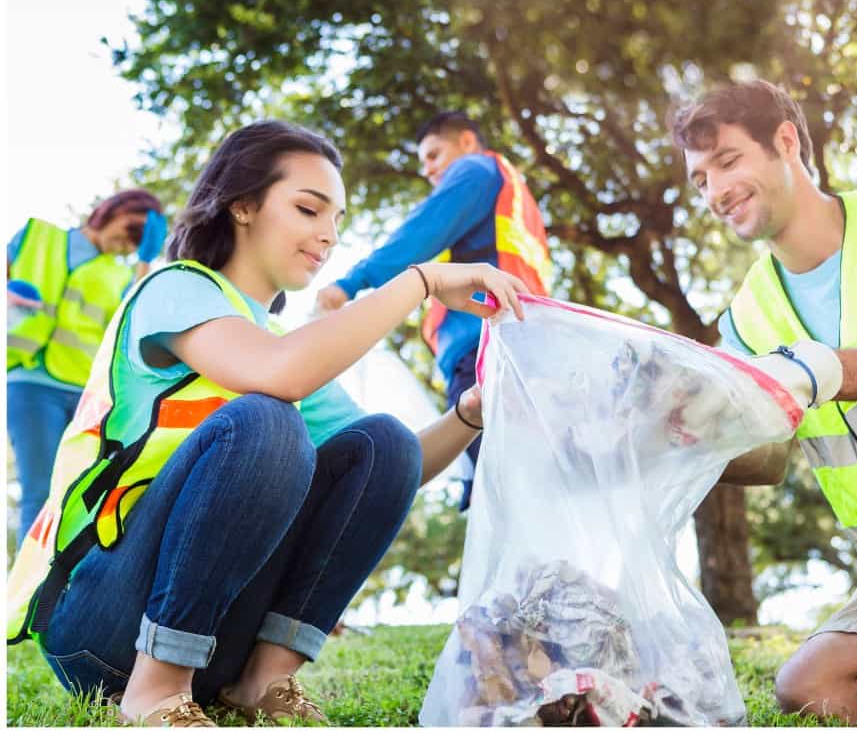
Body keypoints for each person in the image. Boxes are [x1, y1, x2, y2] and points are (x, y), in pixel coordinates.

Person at [6, 120, 528, 727]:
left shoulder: (281, 343)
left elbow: (395, 469)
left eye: (337, 220)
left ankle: (263, 680)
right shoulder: (176, 289)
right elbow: (280, 378)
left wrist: (472, 412)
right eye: (309, 209)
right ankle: (154, 689)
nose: (328, 236)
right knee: (268, 419)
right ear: (243, 205)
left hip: (214, 644)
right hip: (102, 627)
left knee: (382, 441)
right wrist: (420, 281)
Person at [669, 79, 857, 723]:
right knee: (808, 689)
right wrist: (678, 436)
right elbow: (767, 459)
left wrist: (820, 369)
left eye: (728, 161)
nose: (716, 191)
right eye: (700, 180)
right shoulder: (747, 321)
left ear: (786, 140)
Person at [316, 111, 553, 510]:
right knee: (515, 490)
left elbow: (420, 234)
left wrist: (349, 283)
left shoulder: (475, 171)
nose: (428, 170)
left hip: (483, 352)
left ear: (465, 141)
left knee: (500, 496)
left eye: (433, 155)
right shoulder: (509, 192)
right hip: (514, 348)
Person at [7, 191, 167, 546]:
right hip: (31, 383)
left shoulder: (119, 274)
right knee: (40, 488)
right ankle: (27, 592)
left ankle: (57, 586)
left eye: (136, 242)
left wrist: (145, 260)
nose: (126, 243)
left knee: (75, 493)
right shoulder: (37, 237)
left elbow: (135, 321)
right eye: (130, 231)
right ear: (118, 210)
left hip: (85, 397)